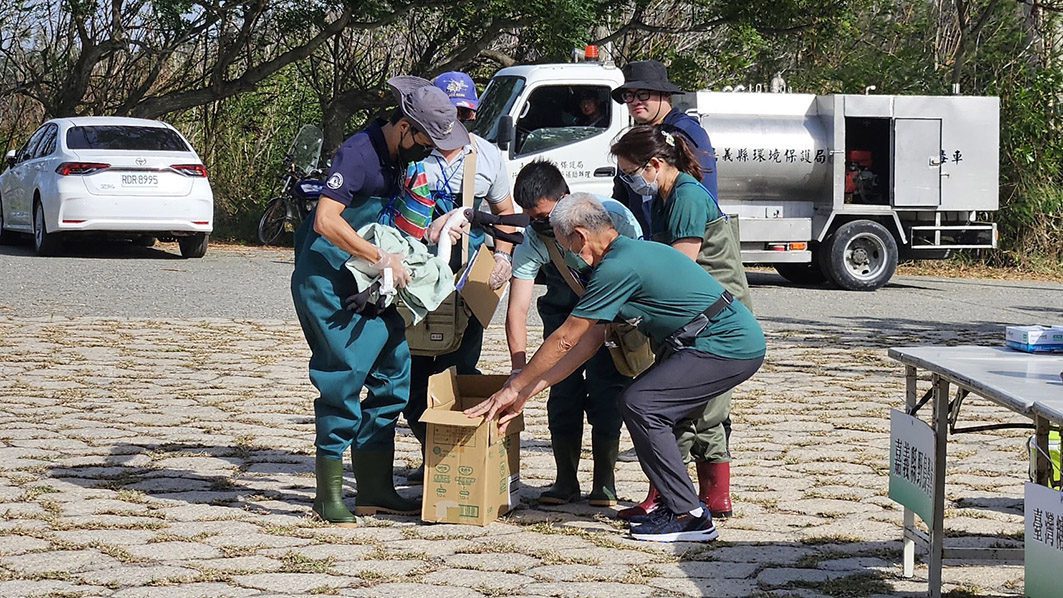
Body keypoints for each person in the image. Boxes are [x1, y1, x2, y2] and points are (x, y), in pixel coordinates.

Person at [466, 193, 765, 543]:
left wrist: (513, 387)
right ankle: (677, 505)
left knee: (642, 404)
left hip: (726, 344)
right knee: (643, 403)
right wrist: (528, 391)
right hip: (712, 341)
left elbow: (565, 338)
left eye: (565, 245)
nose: (568, 254)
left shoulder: (617, 267)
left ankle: (689, 515)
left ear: (579, 236)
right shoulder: (624, 255)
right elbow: (588, 344)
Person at [291, 75, 469, 525]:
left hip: (372, 280)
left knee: (394, 374)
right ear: (406, 127)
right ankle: (328, 496)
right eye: (426, 140)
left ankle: (374, 488)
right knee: (344, 379)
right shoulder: (358, 153)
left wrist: (434, 234)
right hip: (329, 278)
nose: (429, 150)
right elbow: (325, 221)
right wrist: (378, 256)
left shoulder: (399, 159)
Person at [609, 124, 754, 522]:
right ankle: (682, 494)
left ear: (654, 164)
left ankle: (699, 496)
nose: (629, 181)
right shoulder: (667, 196)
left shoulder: (687, 196)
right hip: (691, 315)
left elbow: (679, 265)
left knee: (696, 408)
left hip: (715, 314)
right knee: (689, 406)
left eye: (630, 172)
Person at [401, 71, 518, 484]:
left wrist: (503, 257)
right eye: (449, 113)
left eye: (464, 112)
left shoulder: (486, 156)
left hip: (465, 283)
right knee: (409, 383)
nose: (456, 120)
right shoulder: (412, 151)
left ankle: (446, 461)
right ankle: (429, 446)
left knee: (457, 372)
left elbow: (506, 213)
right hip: (413, 280)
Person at [506, 160, 641, 506]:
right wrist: (519, 371)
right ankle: (565, 480)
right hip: (561, 319)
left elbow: (638, 268)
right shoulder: (535, 239)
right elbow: (517, 308)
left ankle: (604, 483)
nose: (539, 225)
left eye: (544, 217)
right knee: (561, 395)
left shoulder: (613, 216)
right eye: (531, 218)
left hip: (608, 321)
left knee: (607, 394)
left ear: (565, 198)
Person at [609, 59, 717, 233]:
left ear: (665, 95)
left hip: (683, 238)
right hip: (645, 243)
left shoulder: (687, 131)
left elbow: (702, 195)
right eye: (629, 95)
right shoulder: (636, 139)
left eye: (643, 94)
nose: (635, 101)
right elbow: (622, 195)